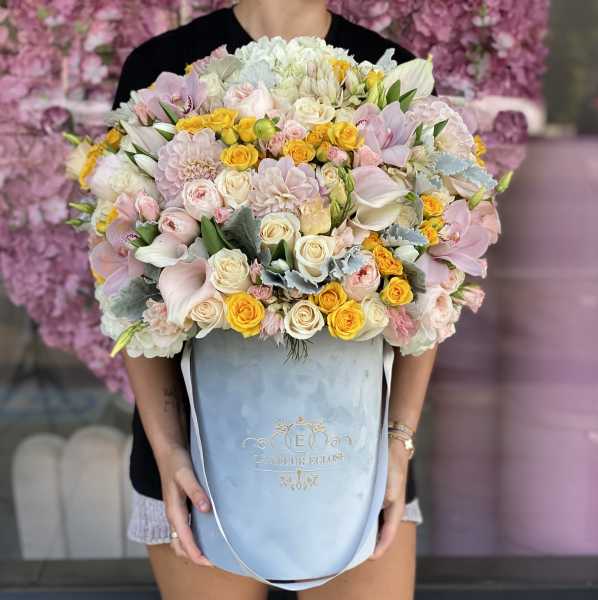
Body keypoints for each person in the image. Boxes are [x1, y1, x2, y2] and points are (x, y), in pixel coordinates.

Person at [114, 1, 438, 598]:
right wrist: (168, 448)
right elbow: (128, 288)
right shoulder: (163, 69)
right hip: (196, 456)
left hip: (356, 456)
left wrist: (399, 443)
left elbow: (428, 289)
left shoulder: (389, 72)